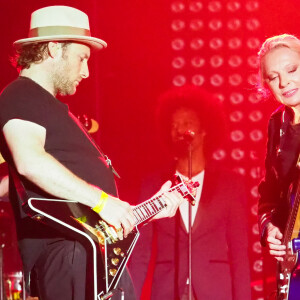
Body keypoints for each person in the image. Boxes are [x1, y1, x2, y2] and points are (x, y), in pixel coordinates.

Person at [0, 6, 184, 300]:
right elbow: (30, 162)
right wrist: (102, 201)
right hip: (70, 258)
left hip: (91, 257)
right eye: (81, 58)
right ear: (53, 49)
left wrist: (142, 212)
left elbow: (67, 205)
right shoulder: (22, 95)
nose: (86, 72)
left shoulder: (53, 111)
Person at [129, 86, 251, 300]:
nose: (179, 130)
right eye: (174, 125)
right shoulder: (154, 185)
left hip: (215, 290)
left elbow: (239, 253)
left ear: (204, 130)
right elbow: (141, 252)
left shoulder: (230, 185)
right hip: (167, 289)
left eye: (187, 124)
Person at [257, 34, 300, 261]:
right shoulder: (277, 122)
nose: (284, 83)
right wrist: (269, 226)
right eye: (273, 77)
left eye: (292, 70)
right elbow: (270, 193)